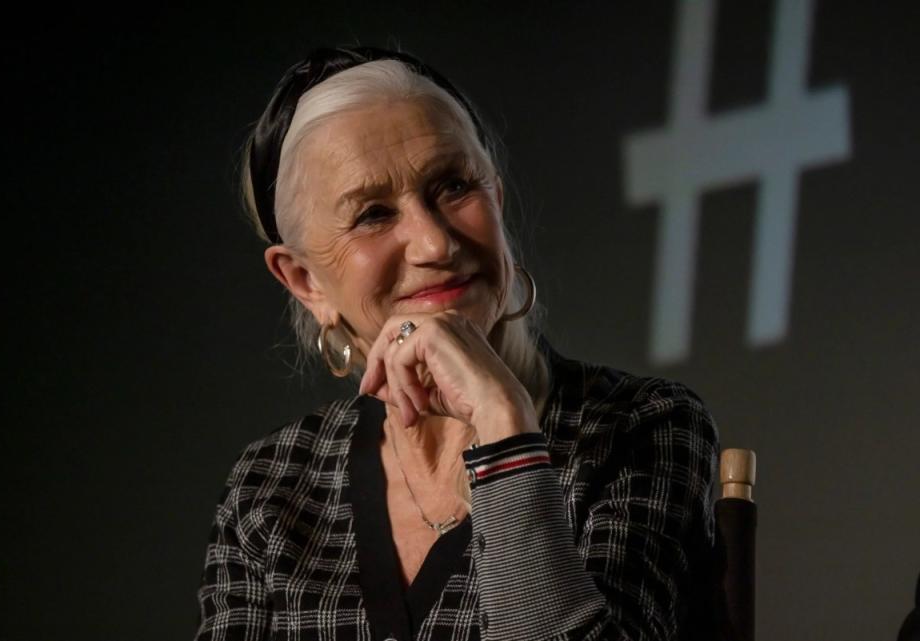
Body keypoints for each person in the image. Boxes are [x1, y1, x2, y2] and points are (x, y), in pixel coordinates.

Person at [194, 45, 719, 641]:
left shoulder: (640, 429)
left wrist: (503, 424)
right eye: (372, 214)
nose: (434, 244)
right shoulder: (271, 484)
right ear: (306, 280)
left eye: (452, 185)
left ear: (494, 198)